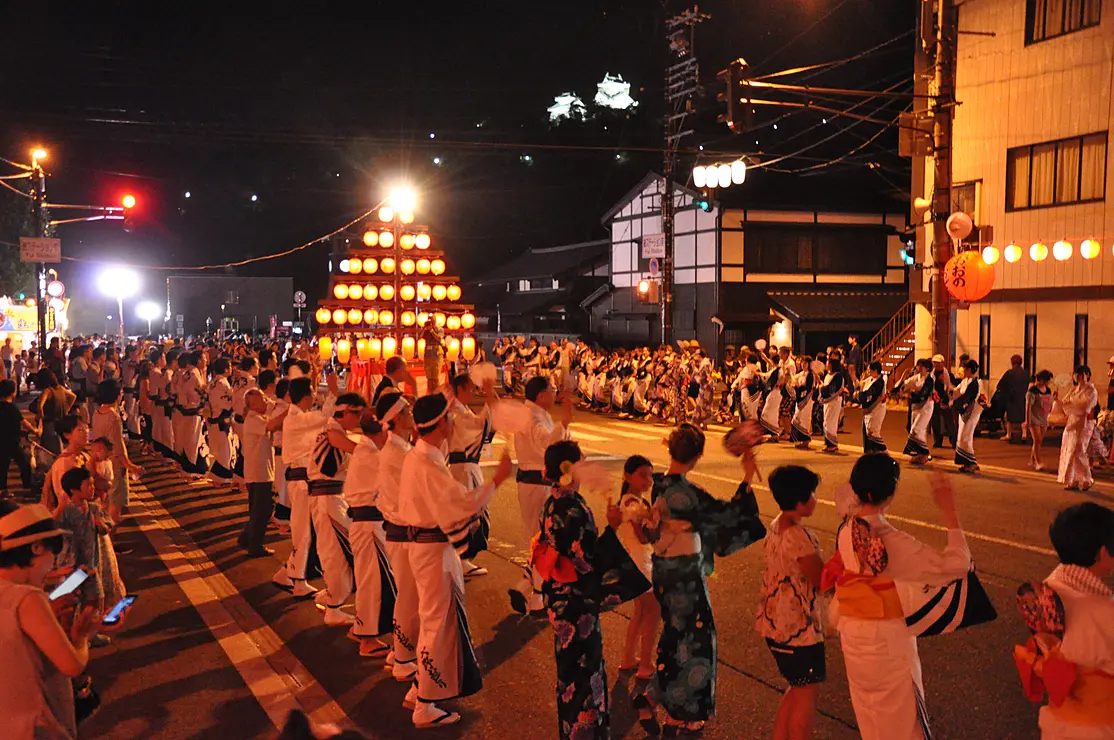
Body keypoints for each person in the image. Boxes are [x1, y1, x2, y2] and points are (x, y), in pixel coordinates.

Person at [829, 454, 971, 739]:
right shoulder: (892, 541)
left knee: (871, 719)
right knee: (905, 726)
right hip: (887, 643)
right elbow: (958, 564)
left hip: (854, 637)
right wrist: (949, 511)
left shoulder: (848, 529)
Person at [395, 393, 514, 728]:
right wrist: (497, 480)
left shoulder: (421, 454)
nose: (452, 422)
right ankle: (425, 704)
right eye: (448, 417)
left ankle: (419, 687)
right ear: (439, 424)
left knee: (432, 618)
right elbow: (461, 505)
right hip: (434, 551)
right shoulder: (427, 463)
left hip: (425, 548)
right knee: (438, 622)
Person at [639, 423, 765, 733]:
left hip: (663, 570)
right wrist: (747, 477)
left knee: (674, 634)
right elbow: (728, 517)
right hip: (685, 575)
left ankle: (654, 695)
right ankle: (683, 713)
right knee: (697, 642)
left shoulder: (661, 484)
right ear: (697, 457)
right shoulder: (689, 494)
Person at [532, 440, 650, 740]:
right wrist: (612, 528)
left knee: (569, 673)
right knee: (585, 673)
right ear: (568, 470)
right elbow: (587, 560)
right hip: (575, 603)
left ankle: (571, 731)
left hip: (559, 596)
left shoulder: (553, 502)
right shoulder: (572, 509)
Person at [0, 500, 104, 739]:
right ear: (36, 548)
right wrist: (81, 637)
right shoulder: (27, 598)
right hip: (30, 728)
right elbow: (71, 665)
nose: (51, 567)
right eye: (52, 555)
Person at [1014, 502, 1114, 738]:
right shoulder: (1103, 613)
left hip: (1057, 724)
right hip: (1098, 729)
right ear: (1102, 553)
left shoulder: (1048, 590)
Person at [758, 465, 825, 740]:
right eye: (812, 493)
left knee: (797, 687)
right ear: (800, 500)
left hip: (775, 624)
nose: (815, 498)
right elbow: (820, 579)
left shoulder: (776, 526)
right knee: (806, 694)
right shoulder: (799, 536)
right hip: (798, 629)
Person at [510, 375, 572, 614]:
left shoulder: (534, 414)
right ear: (541, 395)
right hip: (537, 484)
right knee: (543, 540)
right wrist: (564, 422)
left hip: (536, 483)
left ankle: (527, 586)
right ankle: (535, 596)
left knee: (543, 539)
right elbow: (547, 444)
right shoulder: (532, 417)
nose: (555, 393)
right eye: (552, 389)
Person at [273, 374, 338, 598]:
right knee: (303, 533)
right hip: (300, 482)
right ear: (305, 397)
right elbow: (324, 416)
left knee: (305, 531)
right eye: (311, 393)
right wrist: (333, 393)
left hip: (302, 481)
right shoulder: (295, 419)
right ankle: (298, 582)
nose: (313, 397)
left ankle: (285, 573)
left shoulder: (298, 417)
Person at [307, 392, 365, 626]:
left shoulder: (334, 430)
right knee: (338, 552)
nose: (359, 420)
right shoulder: (332, 432)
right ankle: (333, 606)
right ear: (347, 412)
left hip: (330, 498)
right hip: (328, 498)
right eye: (357, 415)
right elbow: (352, 448)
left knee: (337, 550)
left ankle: (331, 596)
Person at [374, 389, 420, 683]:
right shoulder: (399, 452)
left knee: (408, 596)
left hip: (398, 530)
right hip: (403, 531)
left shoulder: (397, 447)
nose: (411, 414)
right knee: (409, 599)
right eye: (407, 410)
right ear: (399, 418)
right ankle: (403, 659)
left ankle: (398, 651)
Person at [342, 412, 395, 658]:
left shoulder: (366, 451)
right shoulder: (372, 455)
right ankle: (367, 639)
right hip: (369, 524)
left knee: (370, 580)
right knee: (375, 582)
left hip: (366, 523)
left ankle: (361, 629)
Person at [446, 374, 494, 579]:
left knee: (467, 513)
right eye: (471, 389)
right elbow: (481, 426)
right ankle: (462, 560)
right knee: (468, 514)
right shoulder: (458, 412)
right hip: (464, 469)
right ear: (461, 389)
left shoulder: (459, 410)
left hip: (463, 468)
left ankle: (462, 559)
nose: (474, 392)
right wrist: (490, 396)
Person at [616, 454, 658, 682]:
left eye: (650, 476)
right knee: (653, 612)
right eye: (642, 475)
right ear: (628, 476)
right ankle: (646, 664)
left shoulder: (633, 501)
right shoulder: (633, 504)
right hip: (642, 563)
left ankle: (629, 658)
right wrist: (656, 522)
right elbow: (643, 537)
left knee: (641, 612)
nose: (648, 480)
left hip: (636, 561)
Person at [240, 388, 286, 557]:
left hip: (261, 472)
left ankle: (246, 538)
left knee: (261, 509)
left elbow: (275, 424)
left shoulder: (259, 417)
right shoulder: (253, 419)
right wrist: (290, 410)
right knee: (262, 511)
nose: (266, 401)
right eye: (262, 399)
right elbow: (271, 425)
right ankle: (255, 547)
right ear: (253, 404)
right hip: (258, 473)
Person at [55, 468, 108, 611]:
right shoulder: (66, 510)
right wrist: (59, 508)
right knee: (67, 607)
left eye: (93, 484)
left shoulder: (94, 508)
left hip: (90, 566)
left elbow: (106, 529)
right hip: (71, 568)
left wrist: (101, 525)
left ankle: (90, 626)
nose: (93, 488)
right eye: (88, 485)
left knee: (97, 602)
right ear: (74, 490)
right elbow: (51, 529)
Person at [90, 380, 141, 526]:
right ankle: (111, 536)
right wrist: (131, 466)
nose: (122, 395)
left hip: (102, 461)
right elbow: (118, 446)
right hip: (114, 463)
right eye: (120, 392)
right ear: (115, 395)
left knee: (105, 500)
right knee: (114, 505)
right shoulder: (113, 416)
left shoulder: (97, 413)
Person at [1058, 365, 1099, 492]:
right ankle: (1073, 480)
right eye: (1076, 374)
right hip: (1072, 422)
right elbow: (1065, 403)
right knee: (1069, 450)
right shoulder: (1074, 390)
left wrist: (1071, 405)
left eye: (1082, 374)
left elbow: (1085, 406)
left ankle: (1086, 479)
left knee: (1079, 450)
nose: (1079, 377)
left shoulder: (1091, 390)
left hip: (1084, 423)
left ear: (1088, 375)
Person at [42, 417, 87, 512]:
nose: (86, 432)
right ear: (67, 435)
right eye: (80, 430)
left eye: (86, 428)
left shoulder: (84, 456)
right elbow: (63, 496)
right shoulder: (64, 462)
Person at [0, 379, 36, 496]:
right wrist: (34, 430)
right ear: (12, 392)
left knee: (3, 466)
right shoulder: (12, 407)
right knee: (24, 462)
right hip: (12, 442)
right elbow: (24, 422)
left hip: (2, 441)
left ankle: (3, 490)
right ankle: (27, 485)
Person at [205, 358, 236, 483]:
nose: (232, 369)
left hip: (213, 418)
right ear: (225, 369)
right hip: (220, 419)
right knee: (225, 449)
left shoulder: (213, 382)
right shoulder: (222, 383)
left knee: (220, 448)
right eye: (230, 366)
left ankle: (218, 477)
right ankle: (221, 478)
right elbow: (229, 402)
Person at [951, 360, 985, 474]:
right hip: (964, 412)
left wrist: (957, 401)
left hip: (971, 412)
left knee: (966, 436)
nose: (963, 371)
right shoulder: (965, 381)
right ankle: (966, 463)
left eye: (965, 369)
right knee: (962, 436)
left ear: (970, 370)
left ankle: (972, 463)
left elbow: (968, 397)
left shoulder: (975, 383)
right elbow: (956, 391)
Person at [901, 359, 935, 465]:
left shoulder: (929, 379)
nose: (919, 368)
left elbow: (923, 394)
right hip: (915, 407)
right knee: (920, 431)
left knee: (916, 430)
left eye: (921, 366)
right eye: (918, 365)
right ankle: (920, 455)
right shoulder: (916, 377)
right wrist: (903, 378)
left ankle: (924, 453)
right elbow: (903, 386)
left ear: (927, 368)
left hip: (926, 407)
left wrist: (911, 393)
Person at [33, 370, 75, 456]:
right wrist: (67, 409)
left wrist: (40, 416)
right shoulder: (61, 388)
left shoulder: (47, 391)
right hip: (60, 421)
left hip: (49, 422)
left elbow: (40, 406)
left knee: (49, 450)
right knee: (59, 446)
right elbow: (73, 396)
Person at [853, 361, 887, 453]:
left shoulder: (880, 382)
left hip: (876, 408)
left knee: (873, 432)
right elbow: (860, 386)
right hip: (868, 409)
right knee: (867, 431)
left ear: (875, 370)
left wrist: (868, 408)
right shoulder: (869, 380)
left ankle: (883, 450)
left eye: (870, 370)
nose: (868, 372)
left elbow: (873, 395)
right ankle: (869, 451)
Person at [1024, 370, 1054, 472]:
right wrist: (1027, 421)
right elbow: (1028, 406)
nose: (1049, 382)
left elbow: (1049, 404)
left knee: (1039, 441)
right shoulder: (1032, 391)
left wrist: (1054, 398)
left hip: (1044, 418)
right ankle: (1038, 462)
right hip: (1034, 418)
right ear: (1042, 380)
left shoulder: (1048, 390)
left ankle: (1032, 460)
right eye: (1048, 380)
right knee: (1037, 440)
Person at [997, 354, 1030, 443]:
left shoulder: (1010, 373)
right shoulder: (1026, 373)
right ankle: (1024, 434)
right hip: (1022, 397)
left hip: (1011, 398)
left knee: (1009, 418)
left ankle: (1009, 434)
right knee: (1023, 417)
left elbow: (1001, 385)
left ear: (1012, 363)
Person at [930, 354, 958, 449]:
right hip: (935, 400)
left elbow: (951, 387)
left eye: (938, 363)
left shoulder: (948, 375)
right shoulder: (932, 374)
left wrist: (945, 385)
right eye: (935, 363)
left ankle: (954, 442)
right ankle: (937, 441)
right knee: (935, 421)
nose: (936, 365)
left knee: (949, 422)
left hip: (945, 400)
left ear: (943, 363)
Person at [818, 357, 845, 453]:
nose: (826, 365)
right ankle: (827, 443)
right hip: (827, 402)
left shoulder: (838, 376)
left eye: (828, 363)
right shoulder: (827, 376)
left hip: (834, 401)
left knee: (831, 422)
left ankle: (832, 444)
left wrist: (822, 389)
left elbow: (832, 389)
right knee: (826, 421)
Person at [420, 321, 446, 393]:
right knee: (429, 378)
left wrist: (432, 331)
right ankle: (430, 393)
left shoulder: (440, 329)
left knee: (435, 377)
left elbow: (439, 339)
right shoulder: (426, 330)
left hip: (436, 354)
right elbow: (419, 337)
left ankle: (436, 393)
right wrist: (424, 328)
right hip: (428, 355)